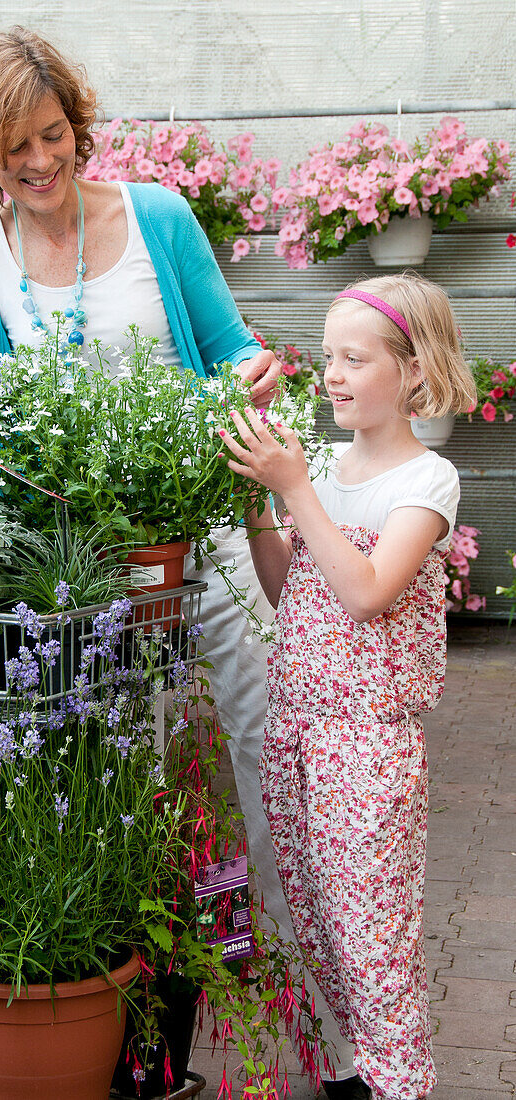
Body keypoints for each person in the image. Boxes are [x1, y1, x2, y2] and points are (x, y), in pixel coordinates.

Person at [0, 25, 359, 1090]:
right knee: (123, 804)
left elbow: (232, 352)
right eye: (9, 146)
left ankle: (333, 1048)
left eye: (52, 134)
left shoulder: (156, 219)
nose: (37, 162)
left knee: (274, 780)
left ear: (76, 123)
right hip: (83, 589)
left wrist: (252, 375)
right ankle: (146, 1051)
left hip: (208, 553)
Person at [220, 273, 477, 1100]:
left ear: (412, 370)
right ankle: (360, 1073)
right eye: (327, 356)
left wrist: (293, 489)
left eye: (354, 359)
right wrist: (263, 503)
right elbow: (284, 587)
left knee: (372, 937)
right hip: (295, 732)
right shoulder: (320, 469)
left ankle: (401, 1083)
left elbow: (366, 592)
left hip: (364, 748)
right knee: (319, 927)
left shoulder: (424, 483)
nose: (331, 374)